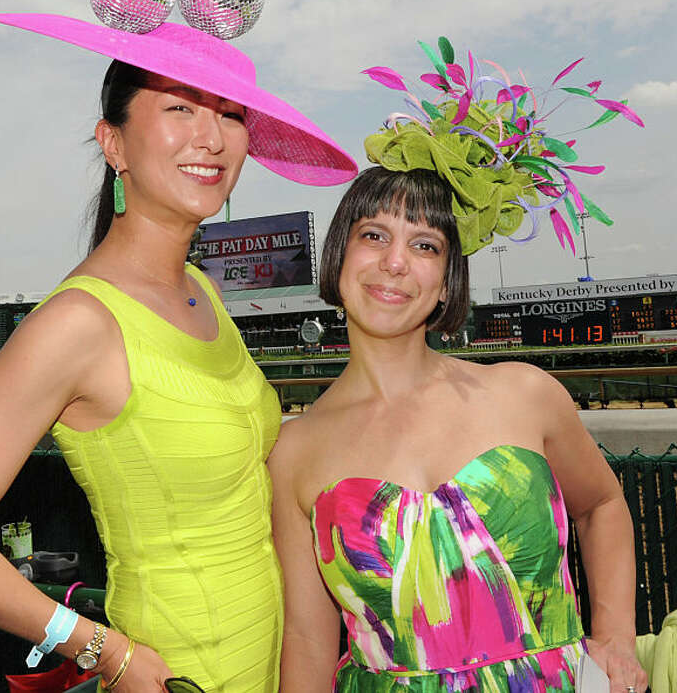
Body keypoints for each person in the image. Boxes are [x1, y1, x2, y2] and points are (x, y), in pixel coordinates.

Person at [0, 15, 356, 693]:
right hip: (179, 675)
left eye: (231, 115)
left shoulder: (198, 289)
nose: (212, 136)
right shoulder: (78, 323)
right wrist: (101, 650)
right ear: (113, 142)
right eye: (179, 108)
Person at [270, 43, 647, 692]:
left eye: (424, 244)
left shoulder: (527, 393)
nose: (395, 263)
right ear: (337, 256)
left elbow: (605, 503)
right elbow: (308, 638)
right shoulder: (294, 450)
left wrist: (613, 637)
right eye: (374, 235)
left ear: (446, 282)